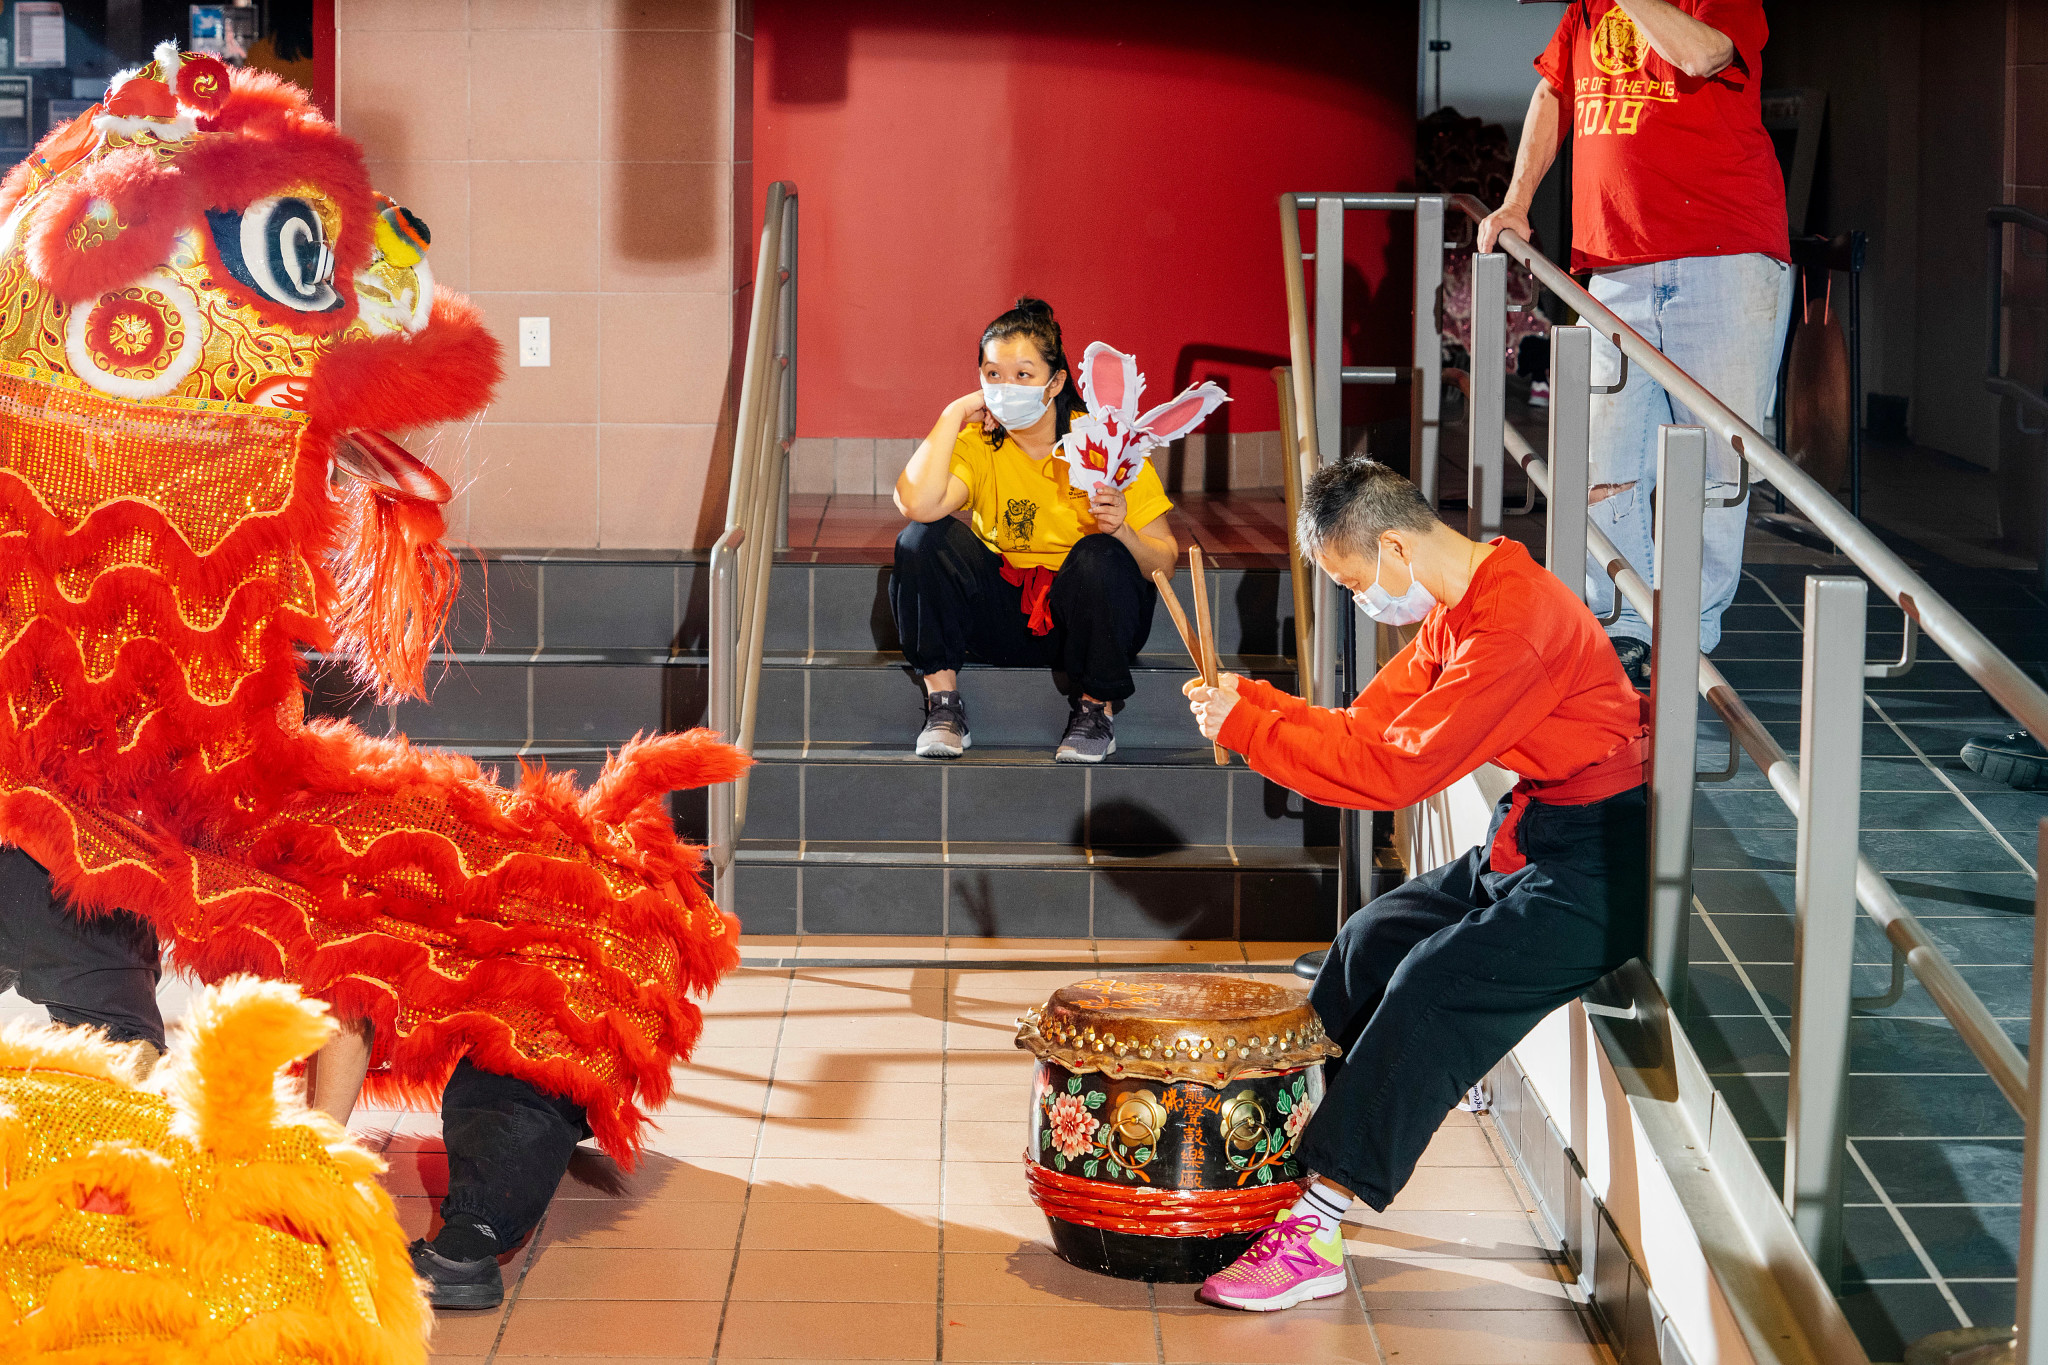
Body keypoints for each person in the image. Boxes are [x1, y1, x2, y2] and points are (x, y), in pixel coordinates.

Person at [1181, 459, 1650, 1312]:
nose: (1366, 599)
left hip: (1605, 861)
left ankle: (1318, 1226)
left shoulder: (1512, 624)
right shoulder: (1469, 597)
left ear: (1393, 544)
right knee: (1371, 938)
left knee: (1430, 984)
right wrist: (1254, 702)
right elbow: (1369, 723)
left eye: (1357, 580)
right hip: (1538, 831)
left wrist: (1251, 730)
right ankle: (1279, 1139)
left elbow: (1398, 769)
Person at [1479, 0, 1792, 685]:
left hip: (1724, 255)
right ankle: (1621, 631)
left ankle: (1689, 638)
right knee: (1600, 458)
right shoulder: (1585, 11)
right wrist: (1516, 200)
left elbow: (1702, 54)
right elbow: (1553, 92)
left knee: (1718, 463)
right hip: (1612, 262)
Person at [891, 298, 1179, 763]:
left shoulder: (1105, 442)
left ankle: (1095, 711)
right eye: (992, 375)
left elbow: (1164, 561)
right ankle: (943, 707)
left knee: (1101, 554)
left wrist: (1123, 530)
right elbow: (915, 503)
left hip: (1082, 624)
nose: (1006, 388)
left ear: (1056, 382)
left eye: (1023, 375)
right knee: (922, 538)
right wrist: (955, 413)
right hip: (1003, 616)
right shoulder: (980, 441)